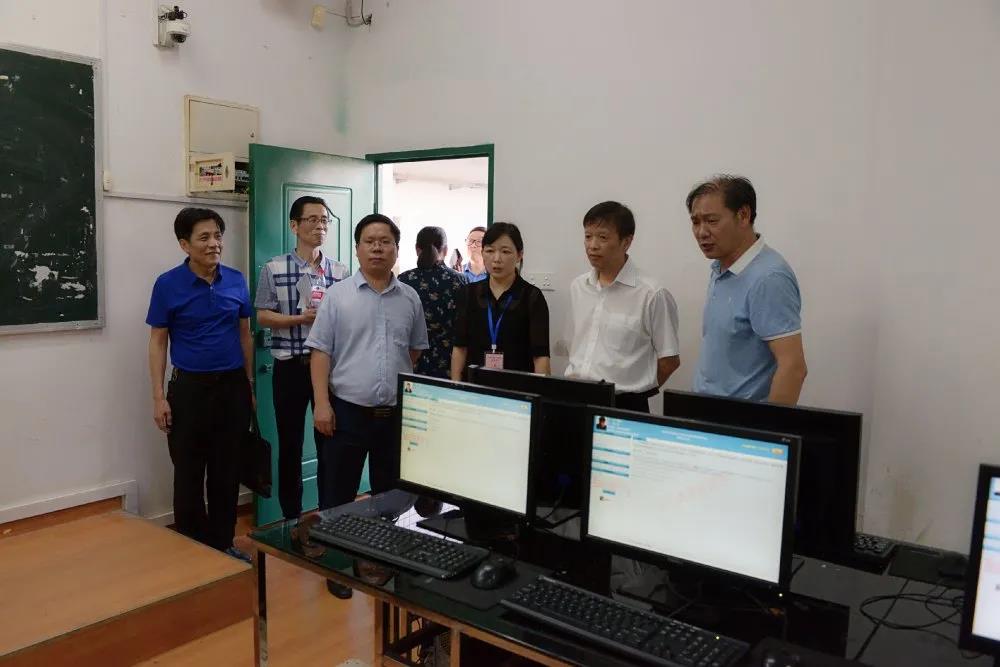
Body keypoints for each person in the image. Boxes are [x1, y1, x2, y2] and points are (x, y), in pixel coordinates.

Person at [146, 207, 253, 561]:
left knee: (227, 472)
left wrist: (249, 385)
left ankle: (223, 544)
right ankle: (191, 551)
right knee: (189, 473)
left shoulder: (236, 280)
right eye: (204, 237)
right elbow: (158, 341)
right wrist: (158, 397)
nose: (214, 244)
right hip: (189, 391)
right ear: (184, 244)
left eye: (218, 236)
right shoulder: (167, 284)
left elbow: (245, 334)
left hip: (232, 388)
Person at [306, 212, 428, 508]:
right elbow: (320, 352)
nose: (377, 248)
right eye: (369, 241)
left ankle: (380, 540)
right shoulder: (337, 296)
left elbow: (413, 351)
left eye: (385, 242)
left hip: (394, 416)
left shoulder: (410, 297)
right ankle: (337, 540)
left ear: (396, 249)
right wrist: (321, 404)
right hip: (346, 414)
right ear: (357, 249)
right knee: (337, 498)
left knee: (391, 499)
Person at [254, 196, 349, 523]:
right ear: (294, 225)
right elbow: (263, 316)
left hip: (330, 369)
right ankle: (291, 519)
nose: (319, 226)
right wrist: (300, 319)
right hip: (290, 367)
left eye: (324, 220)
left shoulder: (339, 271)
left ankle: (329, 514)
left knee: (330, 443)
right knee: (290, 445)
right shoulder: (274, 268)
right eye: (312, 219)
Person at [687, 175, 807, 404]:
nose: (702, 232)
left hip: (740, 422)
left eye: (711, 221)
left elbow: (793, 368)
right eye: (695, 222)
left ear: (743, 215)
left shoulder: (768, 278)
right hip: (705, 413)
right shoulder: (721, 266)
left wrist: (768, 426)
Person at [564, 201, 680, 413]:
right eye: (588, 236)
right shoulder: (578, 286)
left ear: (626, 242)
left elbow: (669, 360)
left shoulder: (652, 293)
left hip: (624, 404)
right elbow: (575, 345)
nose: (592, 245)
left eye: (602, 237)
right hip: (575, 397)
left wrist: (636, 390)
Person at [451, 222, 550, 380]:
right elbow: (459, 348)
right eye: (490, 251)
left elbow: (540, 356)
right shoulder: (468, 293)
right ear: (482, 253)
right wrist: (455, 387)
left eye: (505, 251)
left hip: (517, 389)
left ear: (519, 255)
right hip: (474, 387)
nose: (496, 259)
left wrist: (541, 392)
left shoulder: (532, 297)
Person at [398, 226, 468, 378]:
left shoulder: (404, 280)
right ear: (446, 250)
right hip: (451, 364)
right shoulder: (460, 280)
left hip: (411, 362)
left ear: (417, 249)